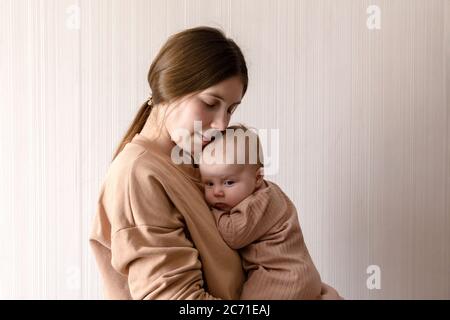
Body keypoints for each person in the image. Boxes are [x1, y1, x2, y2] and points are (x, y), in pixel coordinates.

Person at [89, 26, 342, 300]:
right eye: (211, 103)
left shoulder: (201, 166)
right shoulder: (137, 174)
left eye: (231, 109)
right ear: (169, 89)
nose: (222, 124)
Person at [199, 125, 322, 299]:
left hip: (282, 280)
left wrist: (209, 210)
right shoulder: (268, 192)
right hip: (300, 276)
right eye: (209, 183)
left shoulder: (260, 201)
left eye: (228, 183)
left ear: (257, 178)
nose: (217, 192)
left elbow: (233, 234)